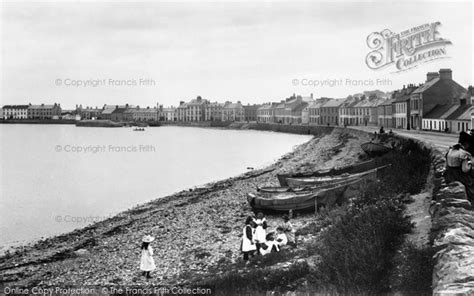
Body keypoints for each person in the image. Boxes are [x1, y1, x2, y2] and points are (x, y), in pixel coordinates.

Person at [445, 131, 474, 204]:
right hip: (460, 176)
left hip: (449, 175)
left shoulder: (451, 150)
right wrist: (470, 163)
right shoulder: (464, 154)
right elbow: (465, 169)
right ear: (467, 144)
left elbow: (446, 165)